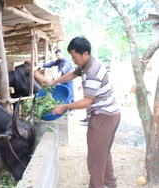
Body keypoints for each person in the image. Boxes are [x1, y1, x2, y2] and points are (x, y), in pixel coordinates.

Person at [40, 37, 121, 188]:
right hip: (111, 114)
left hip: (103, 116)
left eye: (74, 56)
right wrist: (53, 82)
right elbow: (72, 74)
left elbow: (86, 102)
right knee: (103, 153)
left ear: (85, 54)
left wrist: (64, 107)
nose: (73, 59)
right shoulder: (87, 64)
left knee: (95, 159)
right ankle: (111, 184)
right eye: (71, 56)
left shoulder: (92, 72)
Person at [42, 49, 75, 114]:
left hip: (68, 80)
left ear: (62, 53)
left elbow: (65, 67)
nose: (58, 56)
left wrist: (60, 72)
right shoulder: (58, 61)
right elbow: (52, 63)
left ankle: (72, 109)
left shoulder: (67, 60)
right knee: (64, 93)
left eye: (59, 55)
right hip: (62, 80)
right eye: (57, 55)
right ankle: (65, 108)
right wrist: (43, 65)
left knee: (71, 94)